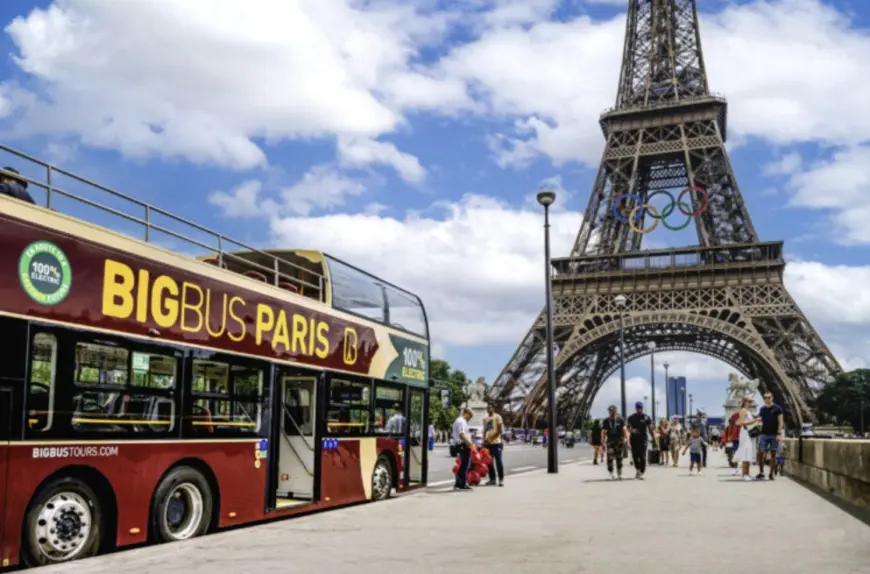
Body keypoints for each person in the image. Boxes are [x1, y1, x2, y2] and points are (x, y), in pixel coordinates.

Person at [756, 392, 784, 480]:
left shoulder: (778, 408)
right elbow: (759, 420)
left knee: (773, 454)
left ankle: (771, 473)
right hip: (764, 433)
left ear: (772, 398)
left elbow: (781, 422)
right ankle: (761, 472)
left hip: (774, 434)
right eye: (765, 397)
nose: (767, 399)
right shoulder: (762, 409)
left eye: (768, 397)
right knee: (760, 453)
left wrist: (778, 434)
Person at [733, 397, 760, 482]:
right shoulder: (743, 411)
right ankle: (744, 474)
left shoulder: (747, 411)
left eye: (751, 401)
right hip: (745, 434)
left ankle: (747, 474)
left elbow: (736, 422)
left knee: (748, 454)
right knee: (746, 453)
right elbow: (741, 423)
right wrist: (755, 420)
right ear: (744, 402)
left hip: (748, 434)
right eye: (749, 401)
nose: (750, 403)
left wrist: (755, 422)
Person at [627, 401, 654, 479]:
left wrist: (654, 438)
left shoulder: (646, 417)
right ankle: (638, 470)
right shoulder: (631, 417)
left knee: (642, 456)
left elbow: (650, 428)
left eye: (641, 408)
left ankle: (642, 472)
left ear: (642, 408)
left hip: (643, 439)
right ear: (636, 408)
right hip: (634, 439)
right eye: (638, 408)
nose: (639, 409)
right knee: (635, 456)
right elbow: (628, 427)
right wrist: (632, 430)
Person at [601, 405, 629, 480]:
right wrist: (603, 442)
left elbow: (625, 429)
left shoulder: (620, 419)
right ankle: (611, 473)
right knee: (610, 456)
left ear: (615, 411)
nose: (610, 412)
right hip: (610, 441)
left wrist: (626, 439)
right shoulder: (606, 420)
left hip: (619, 441)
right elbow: (604, 431)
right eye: (609, 411)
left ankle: (619, 473)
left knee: (619, 458)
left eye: (612, 410)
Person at [452, 408, 475, 491]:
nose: (470, 418)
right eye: (470, 416)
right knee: (465, 466)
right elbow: (461, 434)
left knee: (463, 465)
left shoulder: (458, 420)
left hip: (461, 445)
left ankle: (458, 483)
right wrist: (470, 443)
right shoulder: (461, 421)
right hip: (463, 445)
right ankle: (461, 484)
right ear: (466, 413)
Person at [483, 403, 505, 487]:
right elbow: (485, 430)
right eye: (487, 408)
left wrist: (492, 438)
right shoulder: (485, 418)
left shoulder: (498, 417)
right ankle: (492, 479)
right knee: (489, 462)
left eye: (490, 408)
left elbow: (500, 431)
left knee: (498, 462)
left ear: (493, 408)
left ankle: (501, 479)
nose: (488, 409)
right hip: (488, 444)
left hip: (497, 443)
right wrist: (484, 440)